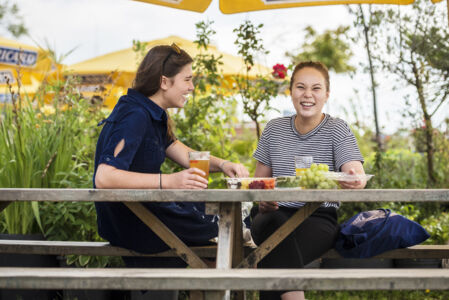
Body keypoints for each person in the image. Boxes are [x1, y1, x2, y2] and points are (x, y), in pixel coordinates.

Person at [93, 43, 249, 297]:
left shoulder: (152, 112)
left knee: (229, 221)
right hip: (132, 220)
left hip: (147, 211)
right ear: (164, 81)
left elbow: (180, 151)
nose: (191, 87)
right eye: (187, 79)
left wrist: (223, 164)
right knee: (227, 224)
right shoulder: (134, 115)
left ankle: (211, 286)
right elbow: (104, 176)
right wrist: (170, 181)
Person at [250, 61, 366, 300]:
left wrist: (354, 178)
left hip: (318, 217)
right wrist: (261, 200)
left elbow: (355, 171)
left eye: (316, 88)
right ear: (291, 91)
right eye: (301, 87)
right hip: (271, 215)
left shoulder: (337, 129)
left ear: (326, 94)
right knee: (273, 229)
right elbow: (257, 184)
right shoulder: (273, 129)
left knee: (273, 254)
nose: (307, 95)